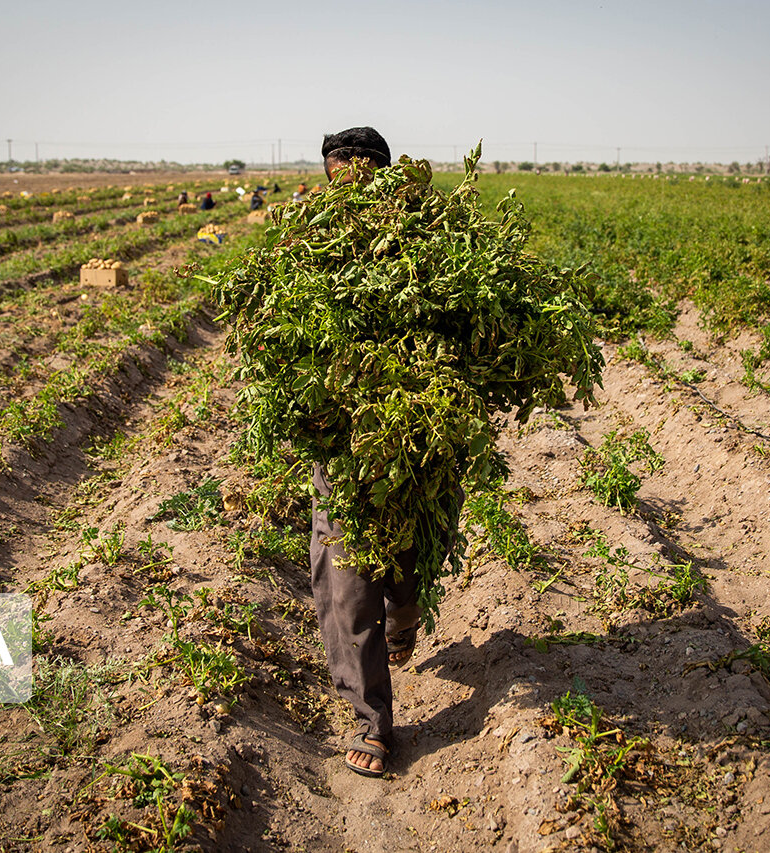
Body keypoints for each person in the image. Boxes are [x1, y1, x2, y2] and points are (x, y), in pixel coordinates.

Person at [307, 126, 424, 779]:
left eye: (360, 175)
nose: (347, 187)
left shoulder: (418, 242)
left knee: (403, 559)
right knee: (345, 576)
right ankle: (369, 720)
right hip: (339, 436)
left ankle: (405, 610)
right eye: (337, 175)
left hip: (413, 433)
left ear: (381, 176)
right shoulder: (311, 248)